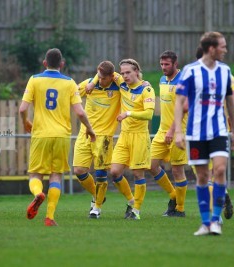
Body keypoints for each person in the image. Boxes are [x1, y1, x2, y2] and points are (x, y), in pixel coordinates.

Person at [19, 48, 96, 226]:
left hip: (40, 134)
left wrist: (25, 122)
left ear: (44, 63)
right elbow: (80, 112)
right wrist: (90, 129)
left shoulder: (34, 80)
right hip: (61, 135)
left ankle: (38, 193)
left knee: (35, 175)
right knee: (56, 176)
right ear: (62, 64)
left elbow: (22, 108)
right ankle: (50, 217)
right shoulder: (70, 83)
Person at [174, 32, 234, 236]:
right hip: (195, 133)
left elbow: (231, 100)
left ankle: (215, 220)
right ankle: (205, 222)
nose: (225, 50)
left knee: (219, 170)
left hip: (219, 130)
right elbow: (179, 101)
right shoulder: (190, 71)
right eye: (222, 46)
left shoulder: (225, 71)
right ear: (211, 48)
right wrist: (178, 131)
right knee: (202, 176)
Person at [195, 46, 234, 220]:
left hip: (199, 129)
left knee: (204, 174)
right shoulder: (227, 75)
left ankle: (215, 215)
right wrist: (231, 123)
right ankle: (223, 197)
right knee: (217, 171)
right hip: (220, 128)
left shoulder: (193, 74)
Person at [73, 61, 121, 219]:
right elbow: (72, 93)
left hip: (104, 137)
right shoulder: (89, 85)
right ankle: (97, 194)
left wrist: (143, 82)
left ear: (111, 77)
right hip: (85, 134)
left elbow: (131, 82)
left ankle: (97, 207)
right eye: (98, 77)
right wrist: (93, 81)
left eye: (102, 78)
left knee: (101, 173)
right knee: (79, 171)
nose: (100, 80)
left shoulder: (118, 86)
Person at [109, 59, 155, 220]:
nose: (124, 76)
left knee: (138, 174)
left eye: (128, 72)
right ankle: (131, 200)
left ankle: (136, 210)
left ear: (136, 71)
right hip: (124, 136)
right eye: (122, 73)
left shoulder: (146, 89)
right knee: (114, 172)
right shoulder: (122, 83)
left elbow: (149, 114)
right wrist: (93, 82)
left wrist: (128, 113)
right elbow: (104, 69)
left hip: (140, 137)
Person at [148, 51, 188, 217]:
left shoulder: (183, 82)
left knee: (177, 171)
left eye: (167, 64)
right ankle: (173, 195)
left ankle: (179, 209)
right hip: (162, 131)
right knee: (151, 165)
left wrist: (172, 131)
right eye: (162, 64)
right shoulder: (162, 80)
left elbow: (183, 110)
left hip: (179, 131)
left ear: (175, 64)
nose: (163, 67)